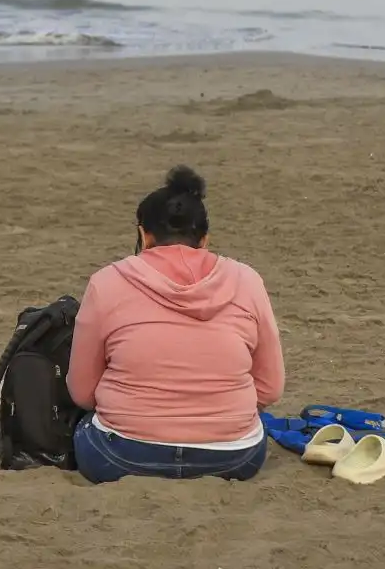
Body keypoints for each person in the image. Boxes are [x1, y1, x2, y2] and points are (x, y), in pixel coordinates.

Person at [65, 166, 284, 483]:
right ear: (205, 239)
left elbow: (83, 393)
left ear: (144, 235)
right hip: (234, 456)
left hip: (122, 455)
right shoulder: (247, 281)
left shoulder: (107, 282)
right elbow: (270, 388)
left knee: (84, 426)